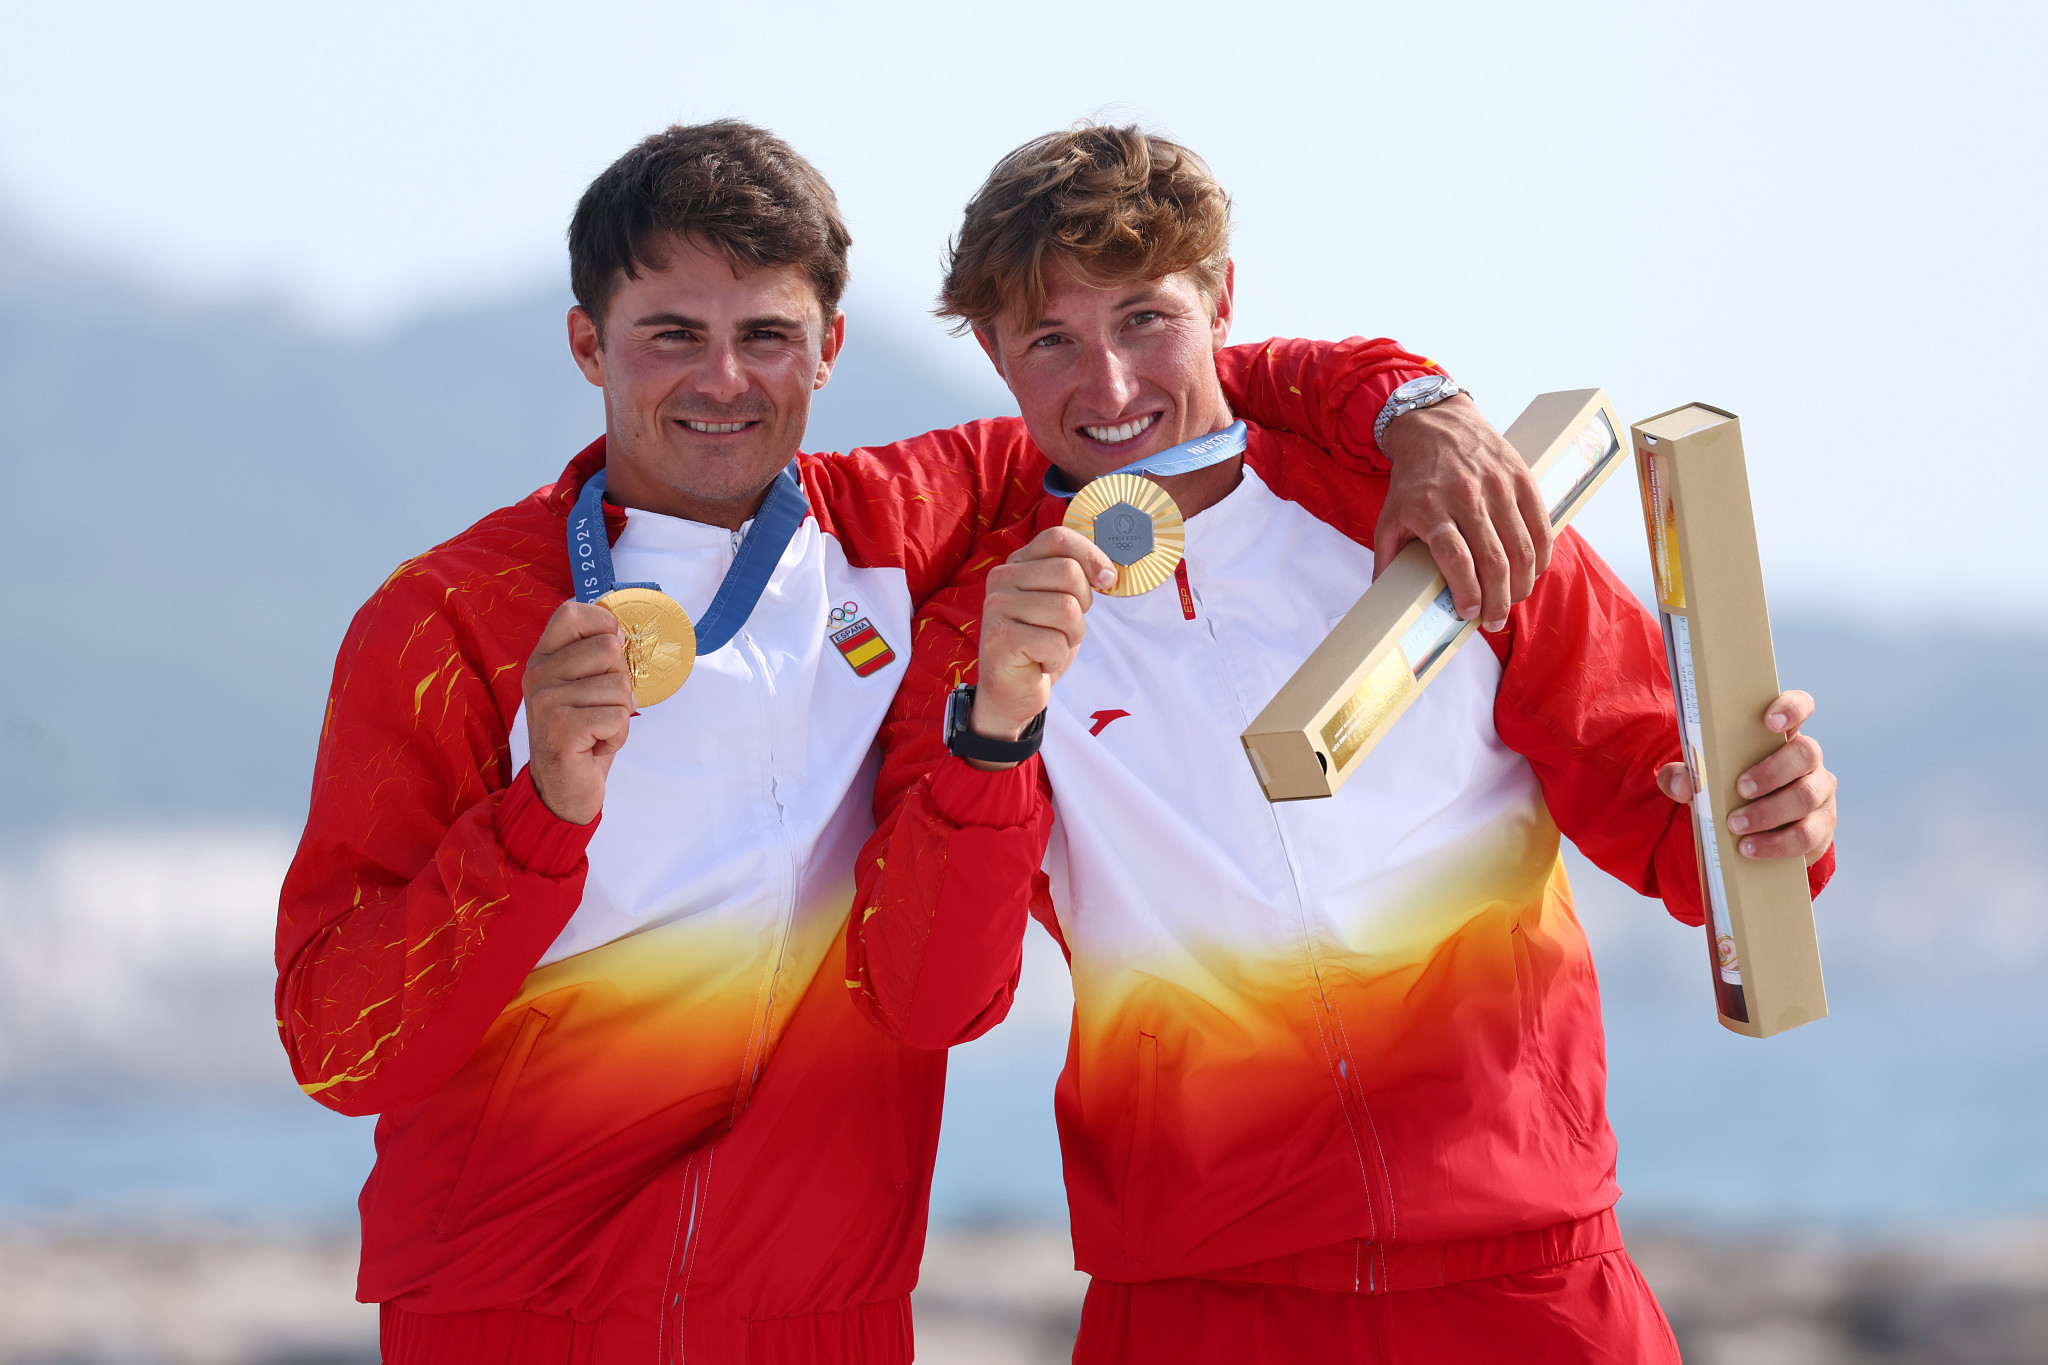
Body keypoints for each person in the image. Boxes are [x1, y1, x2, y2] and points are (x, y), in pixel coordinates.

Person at [273, 119, 1541, 1363]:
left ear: (826, 350)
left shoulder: (906, 524)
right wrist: (537, 813)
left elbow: (1155, 381)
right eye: (672, 334)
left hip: (827, 1322)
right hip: (510, 1319)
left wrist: (1411, 405)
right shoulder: (442, 622)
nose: (723, 380)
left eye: (765, 335)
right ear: (586, 344)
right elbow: (338, 1047)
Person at [847, 125, 1840, 1363]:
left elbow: (1697, 848)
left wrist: (1775, 816)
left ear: (1220, 302)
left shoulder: (1431, 511)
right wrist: (993, 731)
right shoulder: (976, 635)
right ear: (996, 355)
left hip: (1522, 1275)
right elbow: (934, 1000)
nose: (1105, 387)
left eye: (1144, 320)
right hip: (1196, 1300)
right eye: (1050, 340)